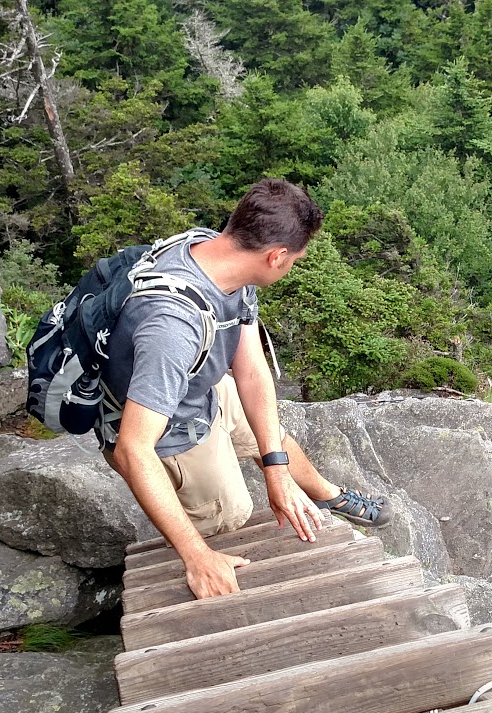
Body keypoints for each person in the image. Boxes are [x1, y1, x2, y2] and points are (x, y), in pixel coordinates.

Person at [103, 178, 389, 599]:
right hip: (165, 429)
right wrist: (198, 557)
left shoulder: (223, 254)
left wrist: (276, 471)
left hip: (199, 384)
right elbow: (133, 449)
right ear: (277, 256)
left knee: (268, 429)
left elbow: (251, 370)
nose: (294, 265)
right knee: (233, 514)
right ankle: (195, 539)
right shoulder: (173, 325)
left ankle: (322, 493)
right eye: (296, 259)